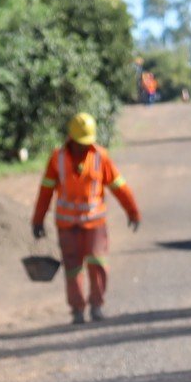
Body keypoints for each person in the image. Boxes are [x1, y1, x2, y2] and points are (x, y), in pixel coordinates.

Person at [31, 112, 142, 325]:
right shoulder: (58, 159)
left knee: (97, 263)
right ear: (71, 138)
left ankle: (97, 305)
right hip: (67, 225)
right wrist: (38, 219)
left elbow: (120, 187)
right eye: (80, 143)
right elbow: (45, 191)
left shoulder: (100, 157)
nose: (84, 147)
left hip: (94, 224)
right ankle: (77, 310)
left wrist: (133, 211)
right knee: (72, 268)